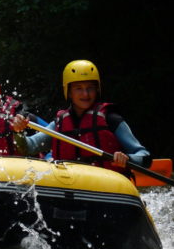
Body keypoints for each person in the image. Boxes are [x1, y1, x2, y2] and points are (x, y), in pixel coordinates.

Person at [12, 60, 151, 174]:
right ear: (69, 92)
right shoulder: (59, 124)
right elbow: (29, 147)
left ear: (97, 90)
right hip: (73, 189)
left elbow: (145, 156)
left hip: (108, 188)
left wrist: (127, 158)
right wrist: (18, 131)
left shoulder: (111, 119)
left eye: (90, 88)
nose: (85, 94)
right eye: (78, 88)